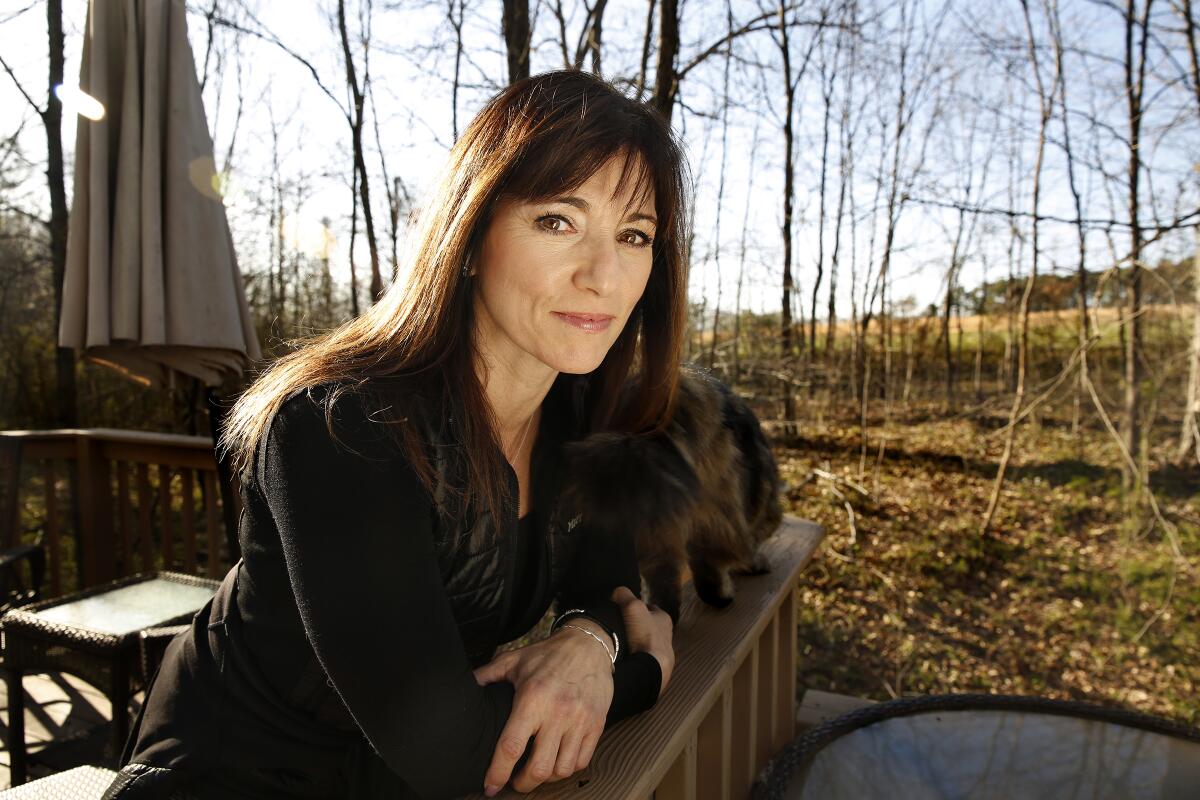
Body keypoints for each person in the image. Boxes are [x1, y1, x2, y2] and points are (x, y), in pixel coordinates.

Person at [101, 69, 691, 800]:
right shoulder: (340, 427)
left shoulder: (580, 420)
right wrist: (642, 675)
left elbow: (624, 589)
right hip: (231, 778)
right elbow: (454, 750)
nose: (604, 275)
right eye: (557, 222)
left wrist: (586, 642)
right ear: (471, 236)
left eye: (634, 236)